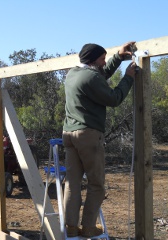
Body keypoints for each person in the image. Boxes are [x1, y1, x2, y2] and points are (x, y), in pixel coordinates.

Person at [62, 41, 137, 237]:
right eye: (103, 59)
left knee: (72, 184)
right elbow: (114, 98)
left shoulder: (73, 74)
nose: (105, 63)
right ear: (94, 60)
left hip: (69, 135)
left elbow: (99, 75)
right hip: (88, 135)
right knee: (96, 184)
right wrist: (128, 78)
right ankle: (88, 227)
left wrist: (119, 57)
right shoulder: (92, 77)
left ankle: (71, 227)